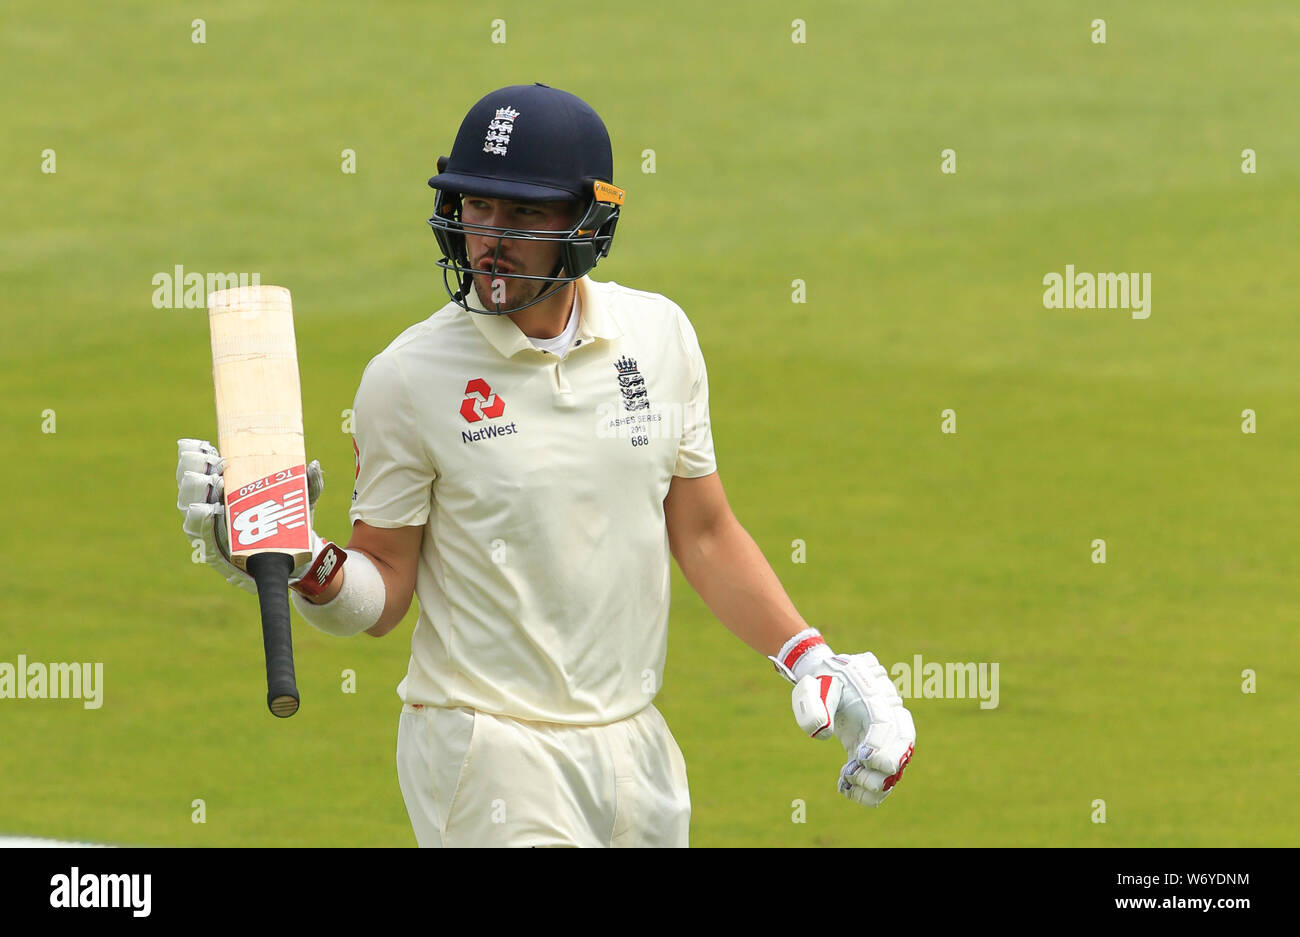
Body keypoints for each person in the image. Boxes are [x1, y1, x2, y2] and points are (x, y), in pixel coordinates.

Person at [176, 83, 915, 847]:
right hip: (486, 749)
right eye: (477, 207)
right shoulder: (406, 378)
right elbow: (386, 590)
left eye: (524, 214)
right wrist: (307, 563)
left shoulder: (659, 338)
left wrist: (808, 654)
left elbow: (702, 530)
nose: (491, 237)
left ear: (588, 224)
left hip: (637, 748)